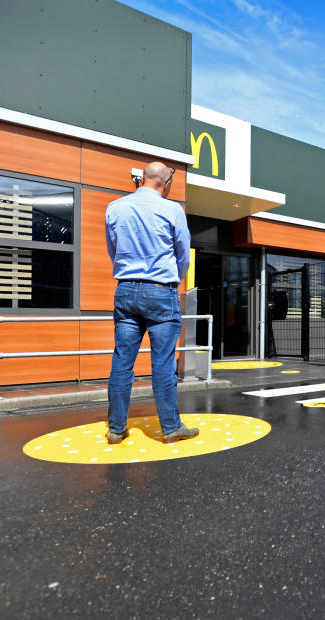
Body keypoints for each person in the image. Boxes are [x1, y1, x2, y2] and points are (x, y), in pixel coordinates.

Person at [105, 161, 199, 444]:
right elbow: (183, 254)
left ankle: (115, 429)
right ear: (166, 184)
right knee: (162, 362)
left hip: (125, 290)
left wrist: (129, 274)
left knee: (122, 361)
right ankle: (170, 428)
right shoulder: (172, 210)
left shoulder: (115, 207)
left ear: (143, 179)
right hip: (161, 291)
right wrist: (174, 281)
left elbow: (114, 248)